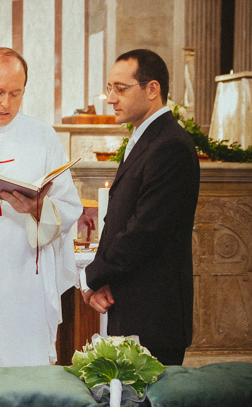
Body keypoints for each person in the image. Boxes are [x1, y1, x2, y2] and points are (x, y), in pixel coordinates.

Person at [0, 47, 82, 366]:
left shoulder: (43, 136)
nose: (6, 103)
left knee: (26, 371)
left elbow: (69, 206)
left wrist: (38, 208)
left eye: (16, 93)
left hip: (26, 277)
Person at [81, 49, 200, 366]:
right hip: (131, 304)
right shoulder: (145, 138)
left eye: (120, 88)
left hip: (154, 315)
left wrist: (91, 277)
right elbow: (120, 219)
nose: (111, 98)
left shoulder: (170, 145)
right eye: (110, 88)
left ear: (152, 89)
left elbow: (145, 232)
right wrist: (104, 279)